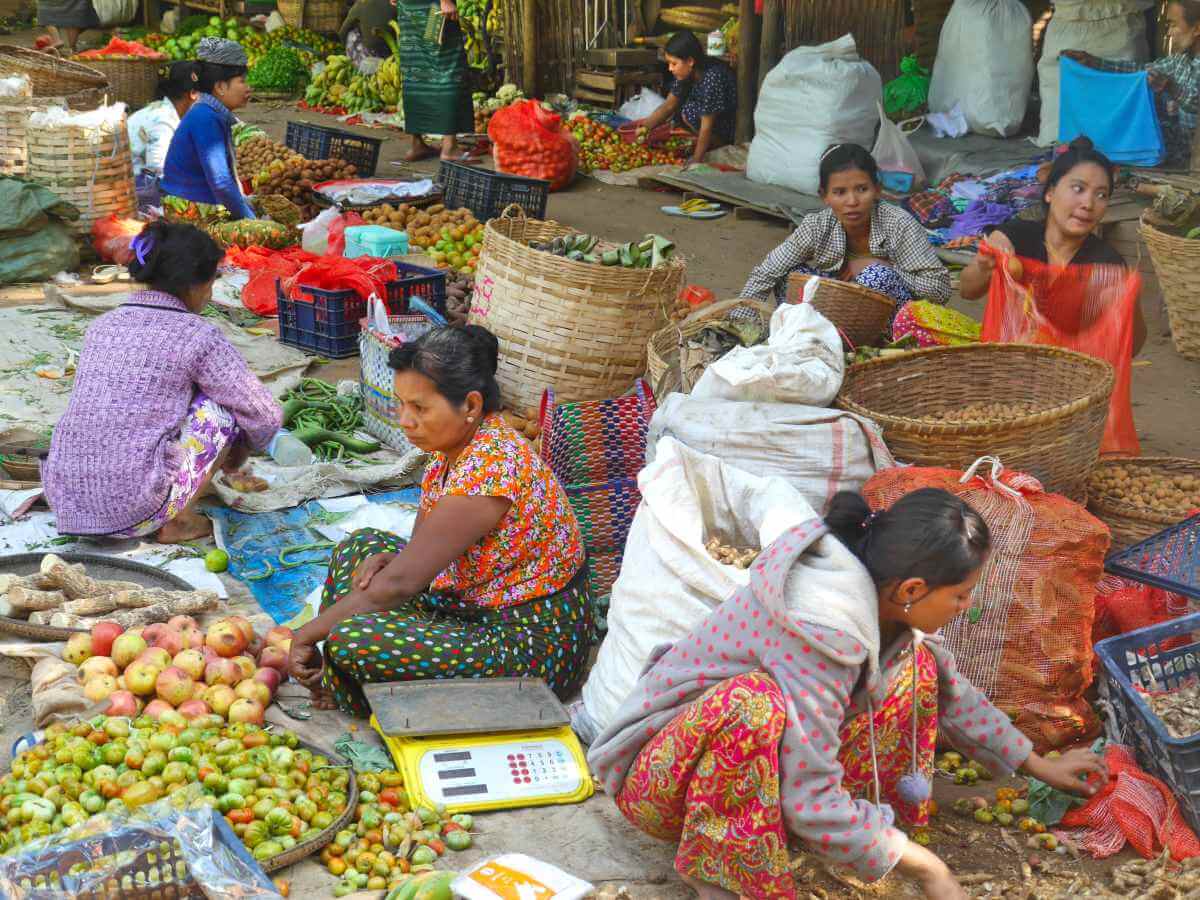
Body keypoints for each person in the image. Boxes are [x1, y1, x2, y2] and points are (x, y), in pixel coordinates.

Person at [588, 489, 1106, 900]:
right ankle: (722, 874)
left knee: (919, 666)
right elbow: (809, 793)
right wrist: (927, 869)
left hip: (745, 763)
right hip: (658, 780)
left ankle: (854, 828)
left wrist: (1037, 764)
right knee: (754, 707)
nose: (966, 607)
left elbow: (954, 694)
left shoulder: (884, 599)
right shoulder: (822, 630)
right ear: (912, 590)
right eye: (961, 594)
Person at [288, 326, 594, 715]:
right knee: (362, 546)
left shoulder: (493, 466)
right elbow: (420, 557)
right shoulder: (451, 449)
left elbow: (403, 584)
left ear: (469, 405)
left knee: (351, 638)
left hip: (525, 641)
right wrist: (398, 565)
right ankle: (344, 684)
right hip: (469, 600)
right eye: (401, 404)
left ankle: (346, 684)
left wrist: (303, 635)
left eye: (419, 408)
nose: (404, 420)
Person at [43, 222, 282, 544]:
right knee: (220, 409)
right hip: (134, 515)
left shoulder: (102, 326)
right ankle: (178, 521)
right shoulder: (197, 334)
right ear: (196, 284)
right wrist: (241, 450)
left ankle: (160, 498)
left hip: (69, 508)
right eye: (212, 283)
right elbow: (264, 414)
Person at [959, 137, 1145, 454]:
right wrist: (984, 264)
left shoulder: (1105, 264)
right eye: (1078, 188)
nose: (1089, 203)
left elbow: (1132, 346)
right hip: (1010, 378)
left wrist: (1127, 303)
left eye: (1101, 195)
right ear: (1049, 192)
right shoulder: (1017, 237)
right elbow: (967, 290)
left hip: (1069, 387)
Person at [740, 144, 952, 326]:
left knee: (877, 277)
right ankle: (820, 337)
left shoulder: (898, 224)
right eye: (839, 192)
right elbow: (767, 272)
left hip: (893, 324)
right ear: (824, 196)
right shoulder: (817, 225)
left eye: (861, 189)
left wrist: (883, 267)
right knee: (790, 275)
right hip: (834, 318)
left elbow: (939, 290)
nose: (852, 201)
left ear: (877, 190)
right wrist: (737, 323)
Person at [1063, 1, 1200, 167]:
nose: (1170, 32)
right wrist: (1094, 62)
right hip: (1177, 154)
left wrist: (1170, 87)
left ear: (1197, 29)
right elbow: (1140, 70)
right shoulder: (1181, 61)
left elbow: (1195, 102)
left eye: (1174, 25)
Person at [160, 38, 256, 224]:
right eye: (242, 81)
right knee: (272, 232)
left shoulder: (209, 112)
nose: (248, 88)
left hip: (199, 204)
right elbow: (220, 182)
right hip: (191, 210)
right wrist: (249, 219)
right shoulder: (206, 118)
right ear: (220, 87)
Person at [633, 31, 737, 167]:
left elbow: (706, 126)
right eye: (669, 63)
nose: (670, 68)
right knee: (677, 112)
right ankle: (705, 145)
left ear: (690, 61)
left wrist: (696, 160)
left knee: (688, 111)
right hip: (708, 118)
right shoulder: (684, 74)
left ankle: (718, 145)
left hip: (727, 125)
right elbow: (668, 106)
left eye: (674, 63)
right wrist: (645, 127)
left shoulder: (713, 77)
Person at [391, 0, 473, 161]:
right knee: (449, 67)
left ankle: (417, 144)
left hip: (409, 8)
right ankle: (450, 148)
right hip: (432, 8)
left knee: (415, 68)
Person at [129, 61, 202, 210]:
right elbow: (158, 170)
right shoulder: (163, 121)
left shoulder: (165, 112)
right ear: (193, 93)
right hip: (137, 187)